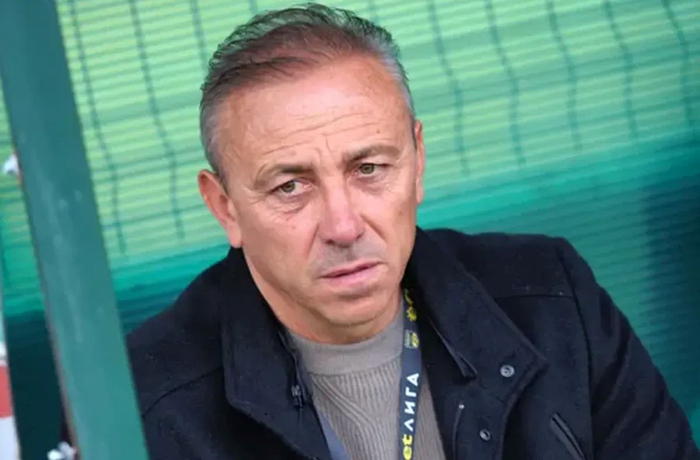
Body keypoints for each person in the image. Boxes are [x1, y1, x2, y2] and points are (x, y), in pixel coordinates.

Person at [127, 4, 699, 459]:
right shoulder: (140, 407)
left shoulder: (553, 302)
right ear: (225, 207)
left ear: (418, 160)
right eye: (290, 186)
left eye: (369, 169)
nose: (344, 226)